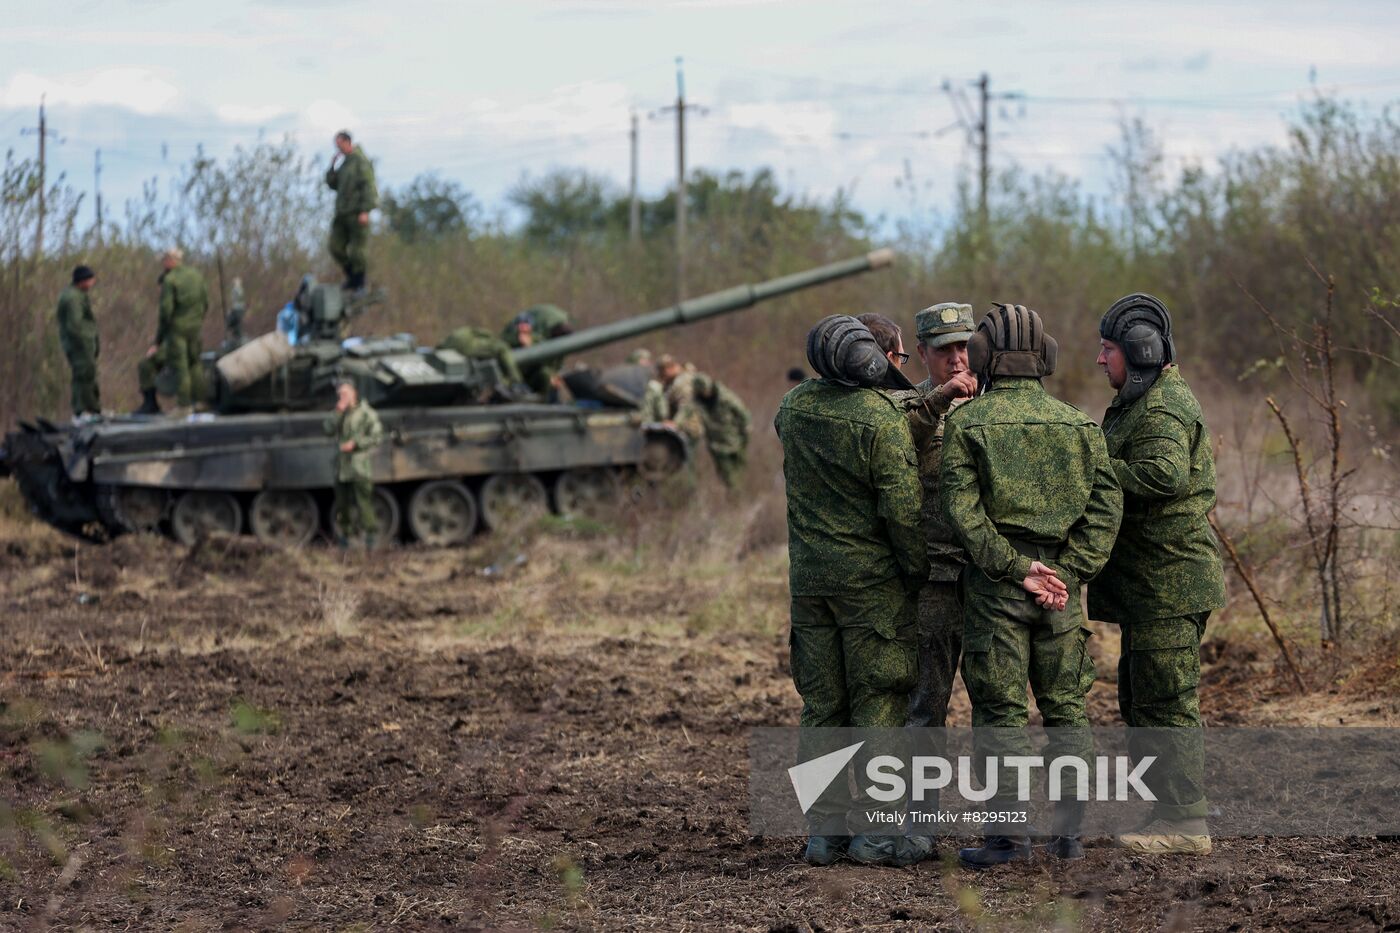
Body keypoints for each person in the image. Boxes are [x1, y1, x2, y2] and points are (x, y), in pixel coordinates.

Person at [940, 304, 1122, 869]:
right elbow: (1106, 504)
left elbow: (962, 514)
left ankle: (1005, 841)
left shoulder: (969, 424)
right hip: (1062, 593)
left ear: (986, 357)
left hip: (998, 590)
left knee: (1000, 713)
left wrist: (1017, 568)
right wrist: (1068, 571)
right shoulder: (1081, 426)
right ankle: (1068, 838)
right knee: (1067, 707)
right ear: (1045, 356)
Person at [775, 314, 931, 868]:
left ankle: (825, 834)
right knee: (879, 704)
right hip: (872, 589)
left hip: (811, 584)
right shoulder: (879, 419)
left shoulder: (793, 408)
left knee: (822, 706)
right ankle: (878, 836)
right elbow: (903, 513)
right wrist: (917, 573)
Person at [1090, 293, 1225, 856]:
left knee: (1166, 703)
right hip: (1151, 586)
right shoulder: (1139, 399)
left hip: (1169, 583)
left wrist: (1089, 465)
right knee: (1141, 700)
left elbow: (1163, 474)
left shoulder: (1164, 408)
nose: (1100, 360)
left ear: (1140, 352)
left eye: (1108, 349)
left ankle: (1186, 823)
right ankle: (1167, 812)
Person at [899, 304, 980, 732]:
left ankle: (999, 799)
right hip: (934, 580)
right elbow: (895, 450)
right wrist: (939, 401)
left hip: (988, 575)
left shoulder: (995, 405)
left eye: (964, 347)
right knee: (925, 705)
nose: (957, 359)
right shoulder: (904, 406)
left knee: (997, 705)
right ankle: (922, 801)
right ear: (922, 352)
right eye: (944, 349)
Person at [137, 248, 208, 414]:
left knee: (180, 365)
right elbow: (205, 303)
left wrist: (158, 340)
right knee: (195, 363)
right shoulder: (196, 276)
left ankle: (184, 405)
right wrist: (196, 321)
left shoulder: (170, 280)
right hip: (195, 328)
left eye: (165, 260)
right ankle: (201, 401)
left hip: (178, 330)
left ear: (170, 260)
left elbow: (165, 312)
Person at [323, 379, 384, 549]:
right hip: (342, 468)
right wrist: (337, 412)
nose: (342, 397)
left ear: (354, 393)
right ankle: (345, 541)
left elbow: (377, 436)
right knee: (343, 506)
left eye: (345, 393)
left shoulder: (366, 413)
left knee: (364, 504)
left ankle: (370, 542)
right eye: (340, 394)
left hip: (359, 467)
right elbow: (327, 429)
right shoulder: (339, 413)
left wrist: (356, 443)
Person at [325, 130, 377, 292]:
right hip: (342, 214)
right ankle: (351, 278)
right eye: (336, 146)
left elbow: (369, 187)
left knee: (357, 252)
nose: (338, 148)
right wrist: (332, 166)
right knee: (335, 247)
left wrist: (365, 210)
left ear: (348, 142)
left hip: (357, 213)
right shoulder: (345, 163)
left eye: (339, 145)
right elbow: (333, 184)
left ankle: (359, 282)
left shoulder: (360, 161)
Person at [690, 373, 751, 488]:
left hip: (735, 441)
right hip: (716, 445)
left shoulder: (725, 398)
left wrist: (745, 433)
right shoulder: (698, 401)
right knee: (727, 476)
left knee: (739, 472)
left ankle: (740, 497)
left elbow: (743, 413)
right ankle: (736, 498)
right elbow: (689, 413)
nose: (704, 393)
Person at [56, 265, 101, 418]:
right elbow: (75, 326)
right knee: (83, 376)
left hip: (82, 344)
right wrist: (86, 343)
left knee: (86, 375)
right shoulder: (72, 298)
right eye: (90, 280)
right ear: (82, 281)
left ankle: (91, 409)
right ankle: (83, 411)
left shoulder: (77, 295)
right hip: (79, 345)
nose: (93, 283)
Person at [502, 304, 573, 397]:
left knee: (546, 375)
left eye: (526, 324)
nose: (524, 327)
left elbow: (545, 360)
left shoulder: (537, 339)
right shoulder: (508, 338)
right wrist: (518, 340)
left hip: (532, 376)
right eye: (521, 324)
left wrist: (530, 345)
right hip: (516, 377)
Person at [439, 325, 525, 386]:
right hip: (466, 344)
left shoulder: (462, 332)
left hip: (450, 346)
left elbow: (440, 346)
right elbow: (492, 339)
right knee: (502, 347)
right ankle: (516, 379)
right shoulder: (478, 337)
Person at [655, 353, 703, 445]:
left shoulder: (684, 381)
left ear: (669, 368)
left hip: (688, 429)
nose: (662, 377)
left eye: (662, 372)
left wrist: (675, 423)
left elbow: (687, 405)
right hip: (680, 429)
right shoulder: (672, 383)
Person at [629, 349, 669, 423]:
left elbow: (662, 412)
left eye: (646, 360)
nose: (646, 363)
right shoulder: (653, 385)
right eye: (643, 360)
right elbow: (662, 412)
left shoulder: (653, 386)